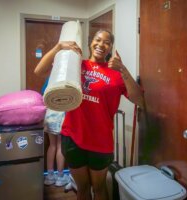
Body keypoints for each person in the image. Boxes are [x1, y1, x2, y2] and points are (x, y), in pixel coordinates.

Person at [34, 30, 144, 200]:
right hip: (73, 137)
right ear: (90, 43)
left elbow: (139, 100)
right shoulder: (76, 65)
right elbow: (39, 71)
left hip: (100, 141)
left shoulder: (116, 74)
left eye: (106, 42)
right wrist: (58, 47)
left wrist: (123, 69)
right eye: (97, 40)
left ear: (110, 48)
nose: (101, 45)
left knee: (99, 188)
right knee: (83, 188)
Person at [39, 78, 70, 187]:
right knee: (60, 145)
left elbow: (43, 96)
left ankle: (49, 176)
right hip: (61, 115)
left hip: (49, 115)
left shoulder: (50, 79)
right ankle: (60, 177)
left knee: (52, 145)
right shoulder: (68, 79)